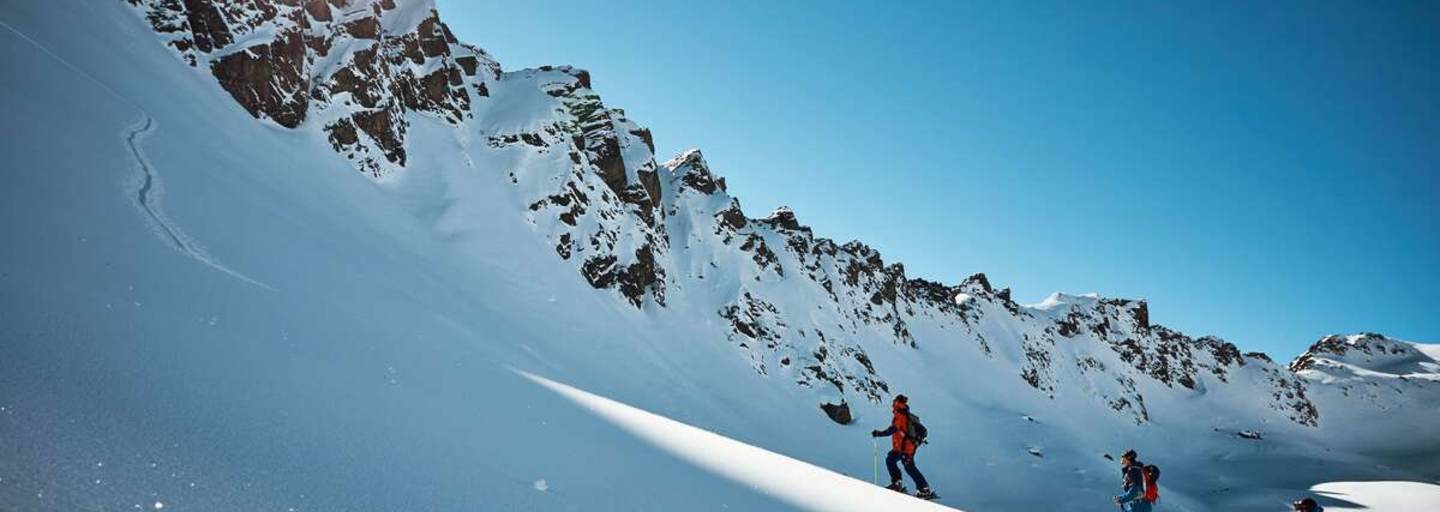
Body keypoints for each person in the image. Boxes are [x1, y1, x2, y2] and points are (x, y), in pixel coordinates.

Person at [870, 394, 934, 499]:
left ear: (897, 403)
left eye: (894, 402)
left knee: (909, 467)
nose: (892, 405)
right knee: (891, 460)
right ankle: (898, 483)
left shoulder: (900, 415)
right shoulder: (903, 413)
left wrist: (879, 433)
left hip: (906, 448)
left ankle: (923, 489)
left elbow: (893, 429)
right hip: (902, 448)